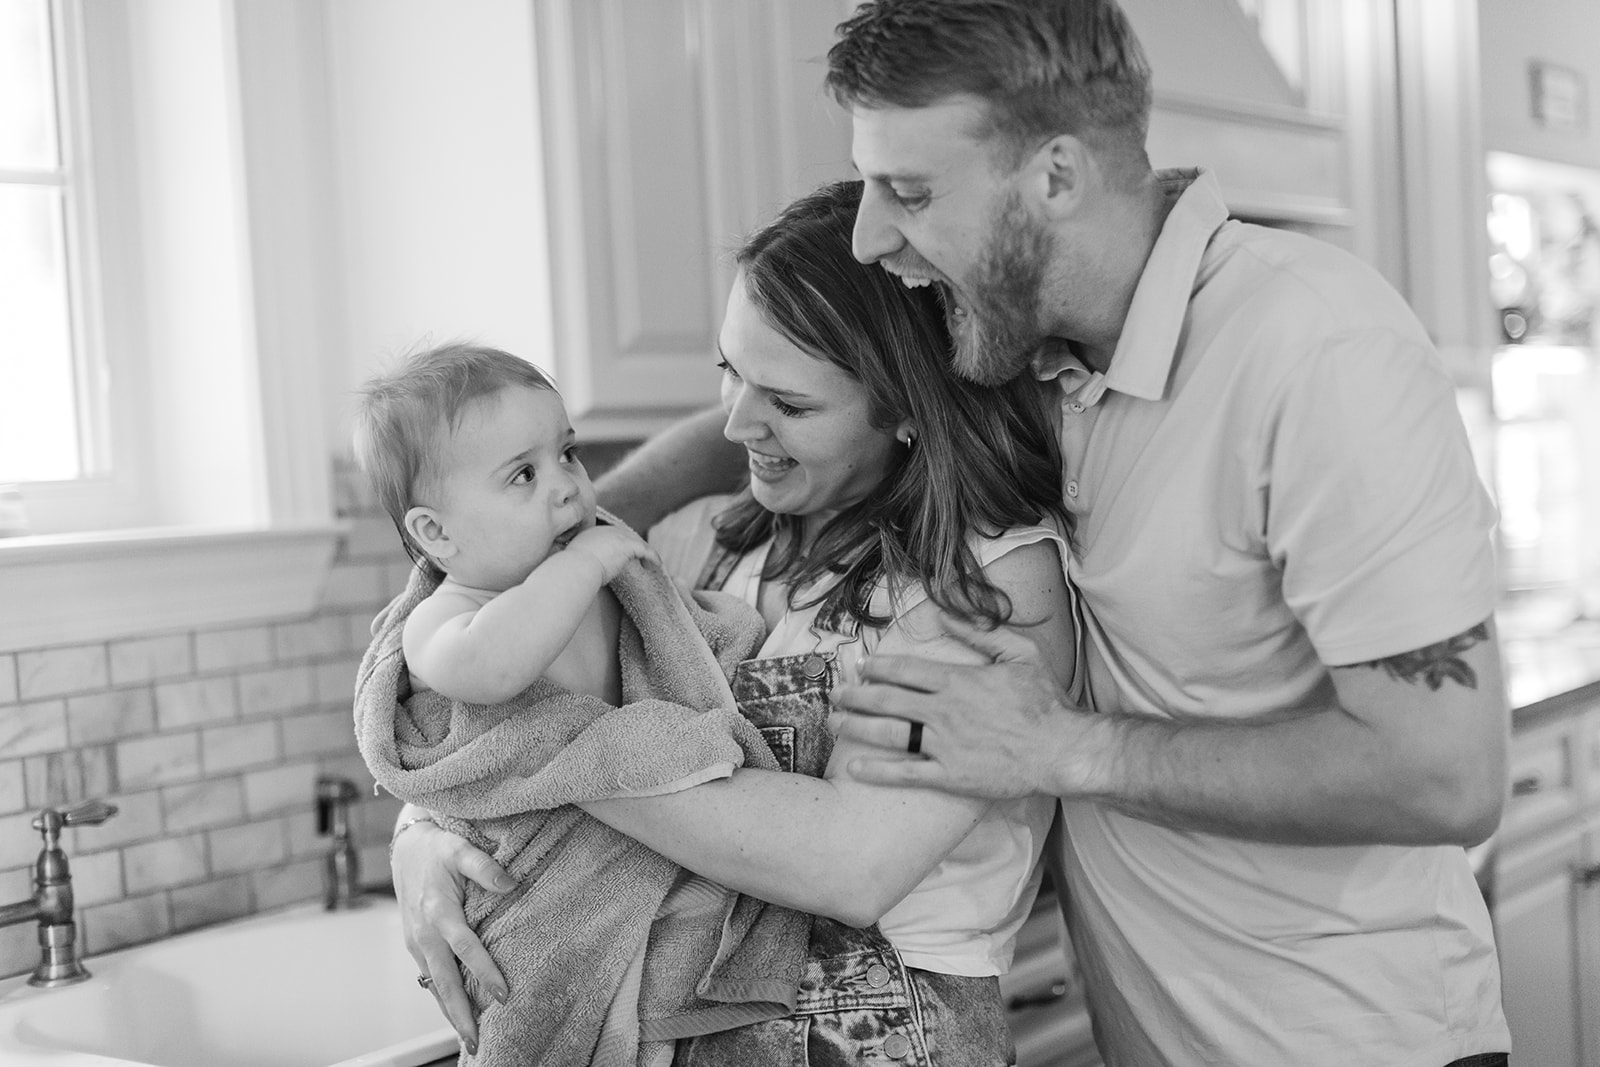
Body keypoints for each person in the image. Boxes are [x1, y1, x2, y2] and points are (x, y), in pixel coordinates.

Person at [581, 3, 1515, 1066]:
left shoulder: (1314, 352)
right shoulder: (1024, 345)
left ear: (1057, 179)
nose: (870, 235)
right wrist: (566, 524)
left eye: (912, 192)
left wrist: (1065, 744)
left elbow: (1444, 772)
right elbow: (798, 398)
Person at [390, 180, 1083, 1066]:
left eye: (787, 404)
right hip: (679, 1017)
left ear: (909, 408)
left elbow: (849, 864)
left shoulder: (991, 582)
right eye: (730, 370)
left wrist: (508, 752)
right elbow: (466, 642)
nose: (735, 421)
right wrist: (424, 833)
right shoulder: (704, 538)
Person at [350, 345, 810, 1067]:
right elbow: (495, 670)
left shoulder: (604, 584)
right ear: (436, 534)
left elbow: (678, 649)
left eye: (567, 453)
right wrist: (586, 562)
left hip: (643, 880)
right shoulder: (443, 622)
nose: (566, 487)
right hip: (537, 901)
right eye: (523, 475)